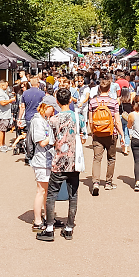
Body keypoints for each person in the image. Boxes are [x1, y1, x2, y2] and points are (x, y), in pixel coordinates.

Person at [36, 88, 86, 241]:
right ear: (70, 100)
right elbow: (83, 138)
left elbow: (50, 141)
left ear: (57, 102)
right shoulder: (79, 118)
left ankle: (49, 228)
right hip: (74, 162)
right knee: (73, 195)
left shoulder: (53, 120)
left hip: (59, 162)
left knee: (51, 195)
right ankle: (69, 227)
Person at [88, 77, 124, 194]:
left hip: (97, 133)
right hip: (111, 133)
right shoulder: (114, 102)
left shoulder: (93, 102)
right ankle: (108, 182)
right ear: (109, 89)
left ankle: (96, 183)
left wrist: (93, 132)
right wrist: (122, 134)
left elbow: (91, 120)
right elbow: (117, 120)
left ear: (99, 88)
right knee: (111, 158)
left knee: (97, 159)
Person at [30, 103, 55, 232]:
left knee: (46, 191)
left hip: (46, 160)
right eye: (51, 110)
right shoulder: (38, 121)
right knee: (41, 191)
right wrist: (54, 136)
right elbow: (42, 142)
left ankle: (47, 216)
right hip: (41, 160)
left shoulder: (44, 120)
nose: (52, 113)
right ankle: (38, 220)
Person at [119, 88, 133, 156]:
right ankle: (126, 148)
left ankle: (123, 147)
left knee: (121, 133)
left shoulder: (120, 100)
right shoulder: (130, 101)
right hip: (127, 118)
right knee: (127, 133)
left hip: (121, 117)